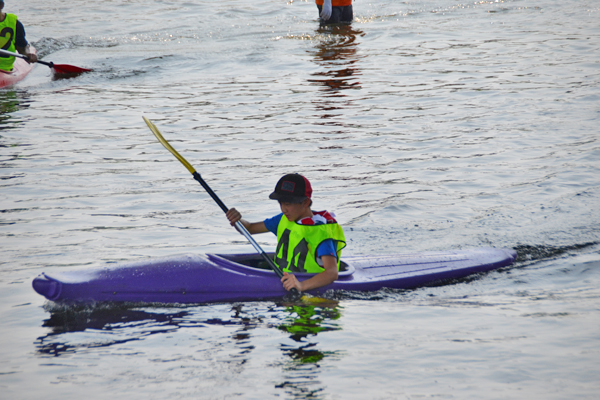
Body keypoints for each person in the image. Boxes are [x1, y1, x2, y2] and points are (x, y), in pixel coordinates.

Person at [226, 173, 346, 293]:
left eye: (288, 204)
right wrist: (237, 220)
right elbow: (250, 228)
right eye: (281, 203)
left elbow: (332, 273)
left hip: (312, 289)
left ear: (305, 202)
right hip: (284, 278)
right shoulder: (283, 219)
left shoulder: (321, 233)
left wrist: (301, 286)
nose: (283, 209)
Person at [0, 0, 37, 72]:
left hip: (4, 68)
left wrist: (28, 55)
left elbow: (22, 49)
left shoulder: (14, 23)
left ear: (1, 6)